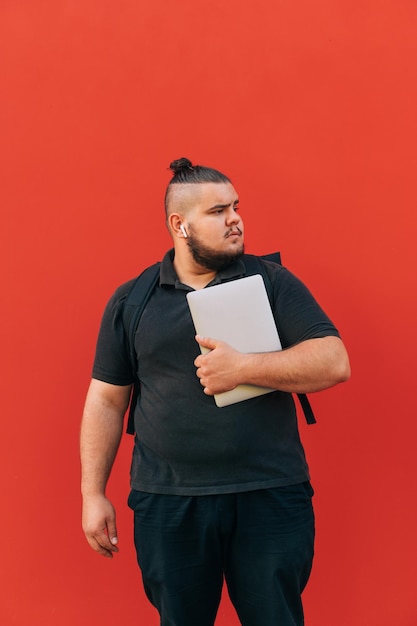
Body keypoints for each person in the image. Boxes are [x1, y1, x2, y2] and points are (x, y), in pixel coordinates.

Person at [80, 157, 350, 626]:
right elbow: (106, 399)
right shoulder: (132, 300)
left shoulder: (270, 282)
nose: (235, 220)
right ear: (179, 225)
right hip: (168, 502)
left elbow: (334, 361)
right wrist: (92, 494)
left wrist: (243, 367)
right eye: (218, 211)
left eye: (236, 207)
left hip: (269, 493)